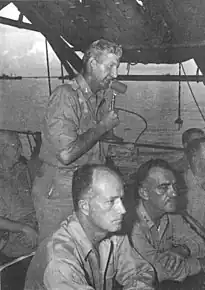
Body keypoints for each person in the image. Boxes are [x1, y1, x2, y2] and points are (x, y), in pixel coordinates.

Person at [32, 39, 123, 241]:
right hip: (59, 194)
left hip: (84, 189)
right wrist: (103, 127)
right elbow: (66, 154)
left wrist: (115, 146)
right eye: (110, 66)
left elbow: (92, 144)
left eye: (116, 67)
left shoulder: (97, 98)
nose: (115, 74)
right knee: (56, 254)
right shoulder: (66, 96)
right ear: (92, 64)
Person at [25, 164, 155, 290]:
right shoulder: (60, 258)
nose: (122, 209)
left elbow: (140, 272)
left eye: (121, 199)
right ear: (85, 207)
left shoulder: (113, 233)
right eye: (111, 201)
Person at [129, 159, 205, 286]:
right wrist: (202, 265)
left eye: (174, 186)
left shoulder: (172, 216)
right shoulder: (132, 226)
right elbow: (158, 272)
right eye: (163, 188)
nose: (174, 193)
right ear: (144, 193)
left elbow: (200, 244)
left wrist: (182, 251)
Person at [0, 130, 38, 260]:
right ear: (2, 148)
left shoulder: (22, 169)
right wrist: (23, 228)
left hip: (35, 224)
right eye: (16, 147)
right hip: (14, 233)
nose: (20, 151)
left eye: (20, 147)